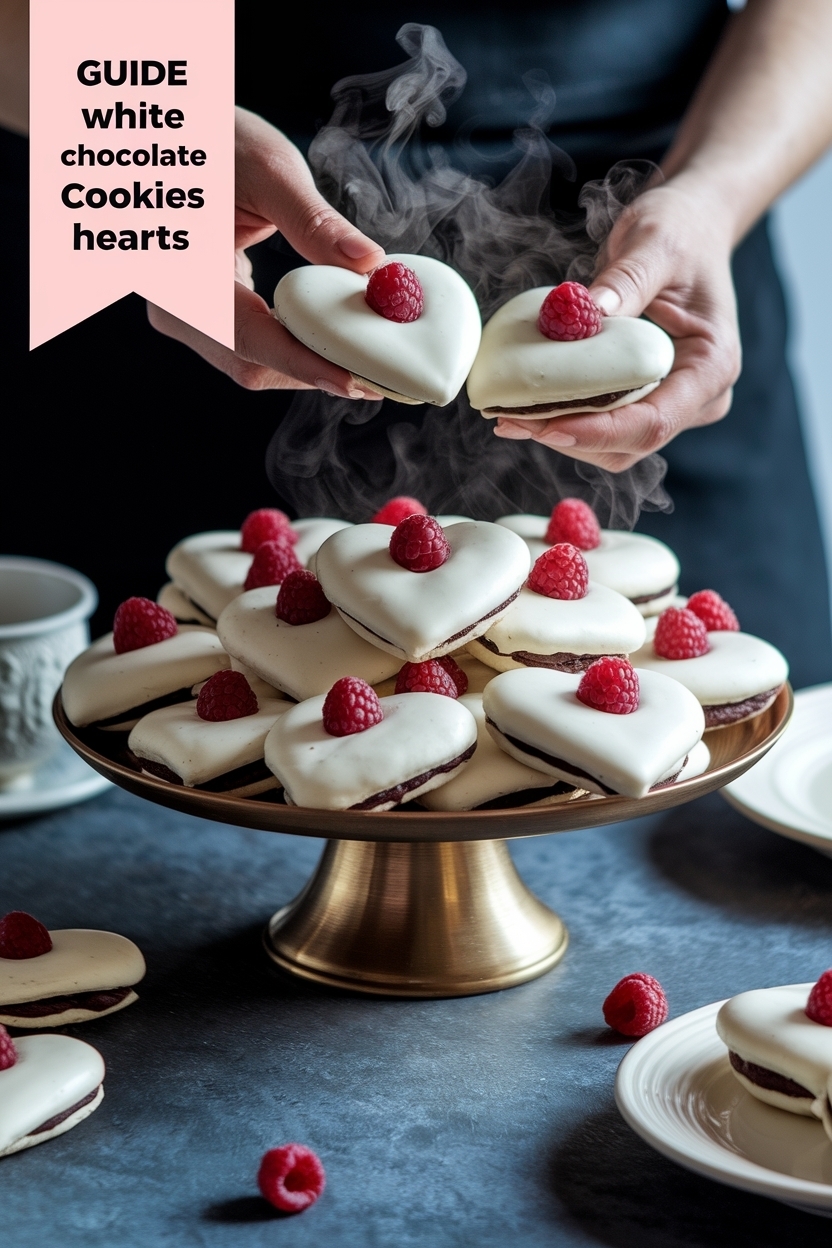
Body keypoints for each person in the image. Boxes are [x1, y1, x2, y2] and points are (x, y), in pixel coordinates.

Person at [3, 1, 831, 684]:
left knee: (719, 801)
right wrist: (141, 145)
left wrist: (712, 198)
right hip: (173, 175)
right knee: (137, 758)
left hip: (672, 229)